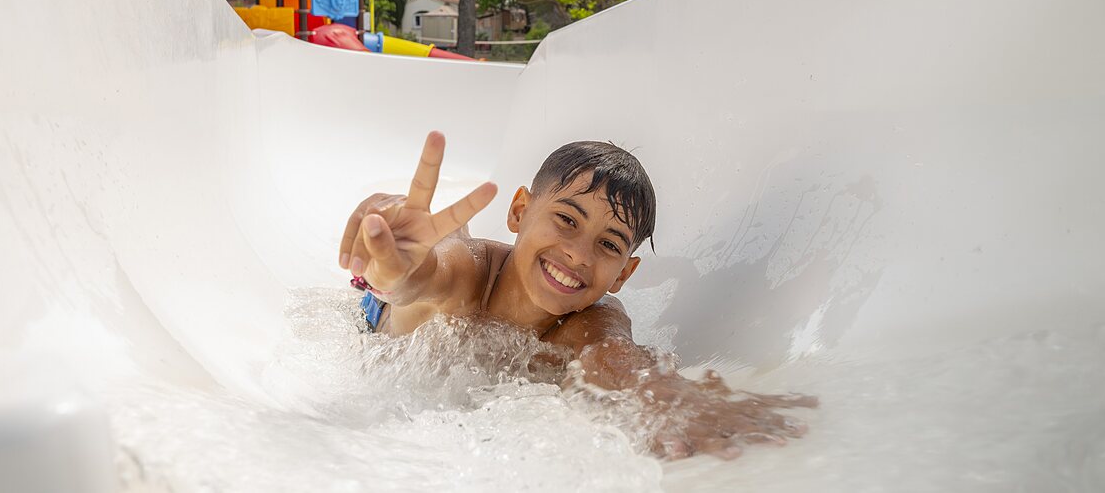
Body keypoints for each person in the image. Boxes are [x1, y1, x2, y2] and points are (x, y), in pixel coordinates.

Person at [339, 131, 815, 459]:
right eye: (567, 219)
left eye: (608, 245)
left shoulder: (592, 320)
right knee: (439, 237)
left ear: (624, 273)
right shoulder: (470, 273)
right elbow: (424, 276)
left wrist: (663, 394)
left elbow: (616, 359)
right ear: (519, 210)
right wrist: (396, 264)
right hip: (378, 312)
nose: (578, 255)